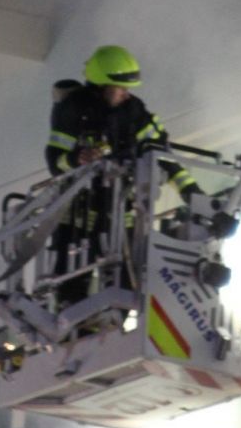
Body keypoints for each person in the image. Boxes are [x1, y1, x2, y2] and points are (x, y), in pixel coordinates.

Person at [44, 45, 201, 309]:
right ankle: (76, 332)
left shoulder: (134, 111)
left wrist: (194, 195)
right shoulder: (72, 110)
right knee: (71, 287)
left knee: (127, 286)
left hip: (122, 214)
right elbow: (54, 160)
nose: (126, 95)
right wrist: (75, 159)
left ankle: (110, 326)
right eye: (120, 89)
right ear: (101, 86)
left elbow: (163, 156)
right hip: (80, 218)